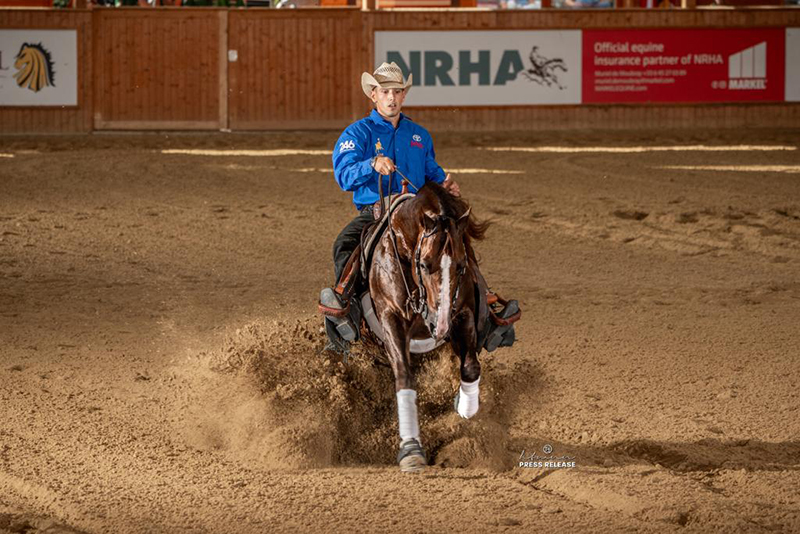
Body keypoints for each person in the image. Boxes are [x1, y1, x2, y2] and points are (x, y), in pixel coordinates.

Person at [319, 62, 517, 351]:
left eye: (397, 91)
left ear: (404, 95)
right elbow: (344, 175)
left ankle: (484, 308)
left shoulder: (419, 135)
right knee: (346, 244)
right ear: (373, 95)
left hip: (419, 216)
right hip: (378, 212)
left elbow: (432, 172)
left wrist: (446, 184)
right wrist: (371, 163)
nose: (392, 98)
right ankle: (344, 308)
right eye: (385, 91)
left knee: (456, 240)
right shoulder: (357, 134)